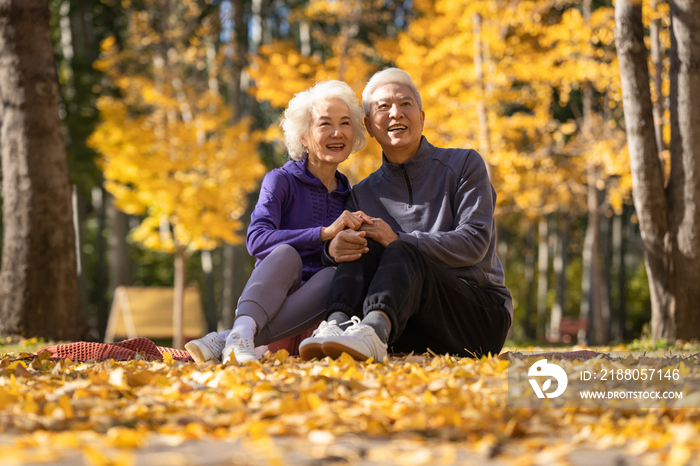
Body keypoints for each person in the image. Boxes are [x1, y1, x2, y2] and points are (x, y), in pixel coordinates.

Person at [299, 68, 512, 362]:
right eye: (383, 107)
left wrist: (399, 240)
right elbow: (342, 257)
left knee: (401, 248)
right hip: (404, 323)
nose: (395, 113)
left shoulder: (464, 165)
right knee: (362, 242)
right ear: (369, 126)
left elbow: (474, 243)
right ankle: (337, 324)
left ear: (422, 118)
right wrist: (331, 250)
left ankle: (373, 331)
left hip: (477, 318)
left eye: (406, 104)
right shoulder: (362, 193)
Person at [186, 80, 369, 364]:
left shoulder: (352, 196)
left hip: (310, 319)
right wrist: (323, 233)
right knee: (286, 254)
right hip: (268, 304)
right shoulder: (280, 180)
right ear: (304, 137)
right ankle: (241, 331)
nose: (337, 132)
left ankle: (229, 338)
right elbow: (256, 240)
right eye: (325, 124)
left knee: (333, 276)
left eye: (345, 123)